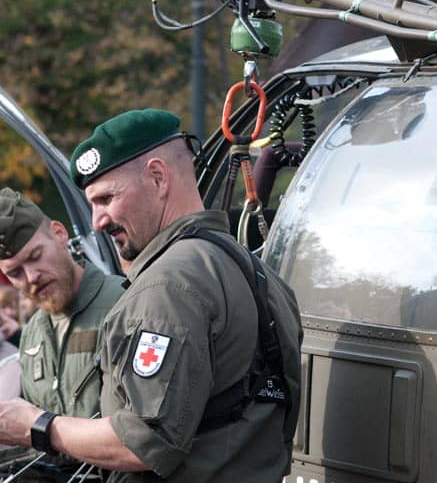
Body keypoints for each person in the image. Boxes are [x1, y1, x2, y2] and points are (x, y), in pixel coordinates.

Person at [0, 109, 302, 483]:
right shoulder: (255, 269)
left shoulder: (167, 286)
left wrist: (38, 426)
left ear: (158, 177)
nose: (97, 221)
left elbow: (141, 441)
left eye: (106, 198)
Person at [0, 188, 124, 416]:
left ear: (59, 234)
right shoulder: (32, 335)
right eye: (15, 273)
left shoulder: (124, 303)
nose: (31, 277)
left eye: (35, 256)